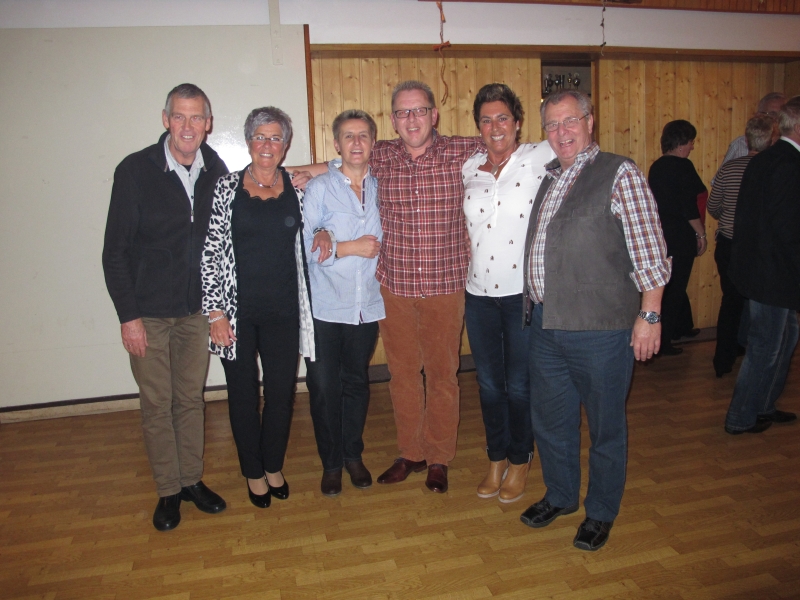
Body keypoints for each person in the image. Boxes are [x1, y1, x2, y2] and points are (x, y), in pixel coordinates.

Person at [519, 90, 670, 551]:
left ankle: (600, 511)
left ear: (590, 121)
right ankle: (561, 495)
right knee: (551, 421)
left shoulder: (619, 173)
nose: (561, 132)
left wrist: (649, 315)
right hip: (546, 324)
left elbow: (649, 250)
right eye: (552, 125)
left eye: (570, 121)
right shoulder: (549, 178)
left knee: (606, 427)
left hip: (601, 330)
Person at [102, 83, 228, 531]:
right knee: (157, 403)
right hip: (149, 314)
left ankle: (191, 480)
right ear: (165, 119)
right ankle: (168, 490)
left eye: (196, 117)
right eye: (179, 116)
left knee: (190, 400)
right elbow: (114, 252)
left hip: (195, 313)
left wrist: (217, 310)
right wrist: (128, 317)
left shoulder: (216, 169)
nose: (187, 126)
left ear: (208, 123)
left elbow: (221, 242)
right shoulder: (135, 170)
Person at [201, 107, 315, 509]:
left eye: (275, 138)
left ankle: (273, 465)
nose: (267, 145)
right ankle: (253, 470)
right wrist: (215, 313)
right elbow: (210, 252)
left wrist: (324, 231)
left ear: (285, 145)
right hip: (236, 314)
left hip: (284, 311)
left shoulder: (299, 188)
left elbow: (319, 221)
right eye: (260, 137)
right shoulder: (226, 187)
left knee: (282, 393)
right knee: (243, 394)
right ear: (249, 142)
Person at [462, 83, 554, 503]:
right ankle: (495, 457)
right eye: (486, 120)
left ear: (517, 122)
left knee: (519, 385)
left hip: (522, 296)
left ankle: (520, 459)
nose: (495, 126)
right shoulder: (469, 167)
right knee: (488, 385)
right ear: (478, 126)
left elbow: (581, 152)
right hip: (478, 294)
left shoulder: (539, 156)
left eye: (503, 118)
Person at [302, 110, 384, 497]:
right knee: (323, 387)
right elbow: (307, 247)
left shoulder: (384, 185)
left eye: (363, 135)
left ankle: (353, 455)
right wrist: (349, 247)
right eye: (348, 136)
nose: (356, 143)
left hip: (366, 304)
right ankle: (331, 463)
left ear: (373, 142)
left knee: (356, 383)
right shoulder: (320, 188)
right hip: (325, 306)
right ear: (336, 144)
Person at [724, 96, 800, 435]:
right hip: (773, 272)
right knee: (766, 346)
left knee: (784, 339)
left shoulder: (766, 158)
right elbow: (787, 228)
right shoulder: (787, 164)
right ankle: (741, 417)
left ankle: (764, 405)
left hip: (765, 269)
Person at [707, 115, 777, 377]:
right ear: (771, 140)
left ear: (746, 140)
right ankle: (755, 361)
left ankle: (722, 360)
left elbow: (713, 206)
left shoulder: (730, 168)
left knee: (731, 302)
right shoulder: (772, 170)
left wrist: (727, 215)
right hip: (758, 247)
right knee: (761, 306)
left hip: (728, 243)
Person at [648, 120, 708, 356]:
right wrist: (701, 233)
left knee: (672, 284)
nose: (692, 146)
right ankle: (664, 341)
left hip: (662, 234)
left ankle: (682, 326)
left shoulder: (657, 166)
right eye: (691, 142)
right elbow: (688, 207)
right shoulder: (683, 166)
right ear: (682, 143)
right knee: (675, 288)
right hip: (680, 235)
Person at [715, 92, 787, 174]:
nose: (777, 119)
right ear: (758, 115)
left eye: (781, 115)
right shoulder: (740, 144)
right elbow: (721, 177)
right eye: (772, 114)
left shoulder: (789, 147)